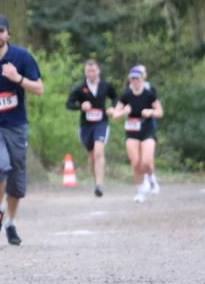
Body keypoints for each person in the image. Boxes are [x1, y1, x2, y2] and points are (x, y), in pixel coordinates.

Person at [0, 14, 44, 246]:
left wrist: (18, 78)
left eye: (1, 31)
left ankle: (10, 223)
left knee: (16, 177)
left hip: (16, 125)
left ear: (8, 34)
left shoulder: (21, 57)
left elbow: (39, 89)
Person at [66, 59, 117, 197]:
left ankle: (100, 185)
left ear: (98, 71)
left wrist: (113, 107)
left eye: (93, 70)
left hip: (101, 123)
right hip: (86, 126)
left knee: (99, 151)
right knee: (92, 157)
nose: (91, 73)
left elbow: (116, 97)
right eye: (88, 71)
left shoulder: (105, 86)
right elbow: (69, 104)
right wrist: (80, 106)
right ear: (85, 72)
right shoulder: (80, 88)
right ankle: (96, 182)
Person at [112, 66, 163, 203]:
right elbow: (115, 115)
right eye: (132, 79)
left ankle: (151, 179)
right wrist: (123, 112)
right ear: (129, 80)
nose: (135, 81)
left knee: (146, 162)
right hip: (131, 131)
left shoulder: (149, 94)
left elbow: (160, 112)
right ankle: (140, 191)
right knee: (135, 163)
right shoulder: (126, 95)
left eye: (137, 79)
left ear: (142, 79)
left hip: (147, 130)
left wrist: (151, 112)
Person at [138, 65, 159, 194]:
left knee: (147, 157)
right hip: (133, 126)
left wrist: (149, 111)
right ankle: (144, 180)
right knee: (137, 156)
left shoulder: (150, 88)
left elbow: (156, 106)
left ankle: (151, 177)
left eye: (141, 73)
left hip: (148, 123)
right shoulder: (129, 89)